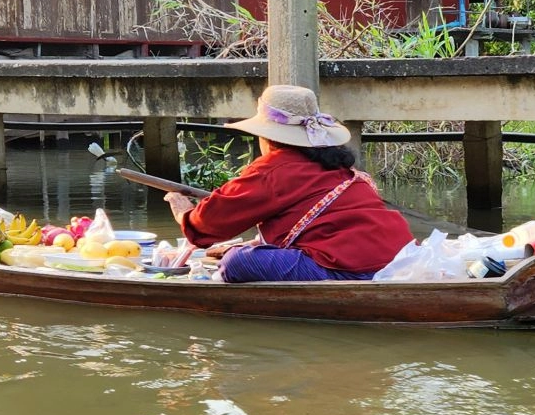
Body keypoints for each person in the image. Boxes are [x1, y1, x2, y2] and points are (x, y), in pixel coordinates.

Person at [165, 85, 412, 282]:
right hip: (397, 256)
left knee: (237, 261)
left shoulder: (275, 168)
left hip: (348, 269)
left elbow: (207, 224)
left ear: (268, 137)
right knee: (248, 249)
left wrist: (184, 212)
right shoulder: (338, 166)